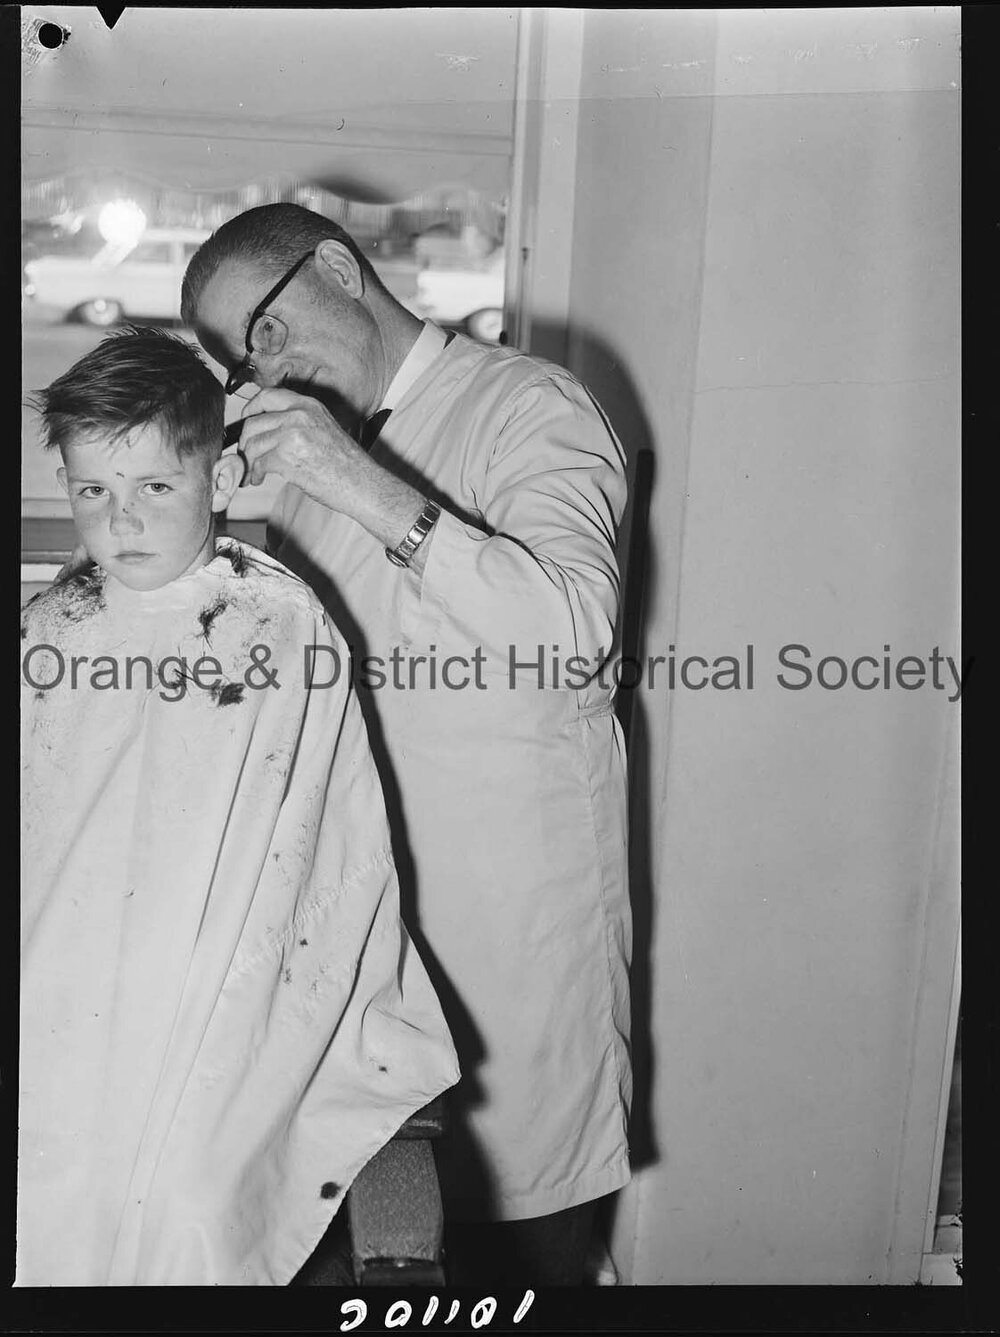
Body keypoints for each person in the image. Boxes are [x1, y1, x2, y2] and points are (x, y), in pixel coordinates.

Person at [181, 205, 632, 1286]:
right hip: (361, 923)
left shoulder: (529, 405)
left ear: (337, 268)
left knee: (517, 1247)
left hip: (505, 938)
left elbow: (572, 629)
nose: (268, 369)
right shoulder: (316, 450)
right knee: (380, 1247)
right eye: (244, 358)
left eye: (269, 331)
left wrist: (346, 476)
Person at [18, 326, 459, 1286]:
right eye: (93, 491)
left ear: (219, 480)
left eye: (155, 489)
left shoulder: (278, 626)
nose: (121, 521)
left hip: (228, 983)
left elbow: (301, 847)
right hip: (63, 976)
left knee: (186, 1205)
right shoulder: (50, 626)